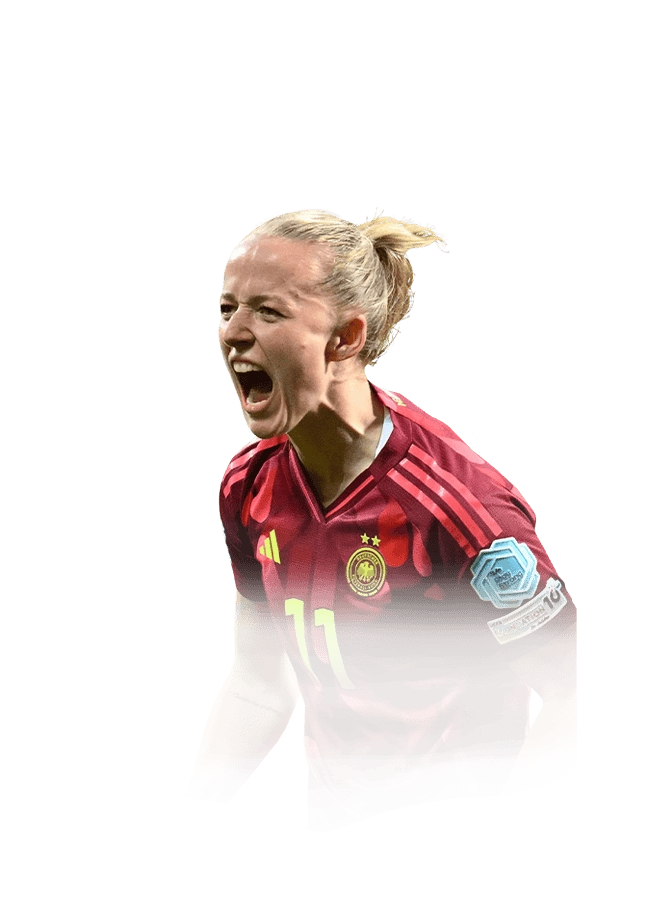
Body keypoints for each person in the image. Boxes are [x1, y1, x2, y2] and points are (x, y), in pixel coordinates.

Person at [184, 208, 578, 833]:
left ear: (345, 338)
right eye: (226, 308)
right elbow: (256, 687)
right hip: (331, 830)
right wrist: (195, 811)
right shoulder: (249, 485)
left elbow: (571, 696)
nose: (232, 333)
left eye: (268, 311)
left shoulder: (459, 508)